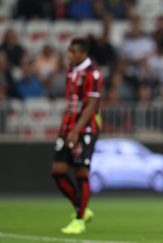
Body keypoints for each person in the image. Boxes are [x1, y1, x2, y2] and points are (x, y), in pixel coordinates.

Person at [51, 38, 103, 234]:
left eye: (73, 52)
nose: (69, 55)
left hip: (85, 130)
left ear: (83, 53)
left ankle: (79, 220)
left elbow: (91, 105)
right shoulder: (71, 71)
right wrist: (67, 128)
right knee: (58, 172)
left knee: (81, 173)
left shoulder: (93, 74)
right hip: (67, 128)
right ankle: (81, 209)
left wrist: (76, 131)